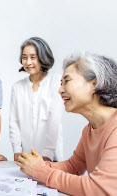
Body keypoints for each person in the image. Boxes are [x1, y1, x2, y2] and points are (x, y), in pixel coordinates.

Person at [17, 53, 117, 195]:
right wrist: (41, 165)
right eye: (60, 83)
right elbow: (74, 166)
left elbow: (98, 188)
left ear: (94, 83)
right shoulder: (89, 129)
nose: (60, 90)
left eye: (66, 81)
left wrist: (41, 171)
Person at [9, 37, 64, 162]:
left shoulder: (56, 82)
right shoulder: (17, 87)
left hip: (52, 157)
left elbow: (54, 119)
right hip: (27, 155)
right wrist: (17, 149)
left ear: (43, 58)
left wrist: (48, 153)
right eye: (24, 57)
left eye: (33, 57)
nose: (28, 62)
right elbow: (14, 121)